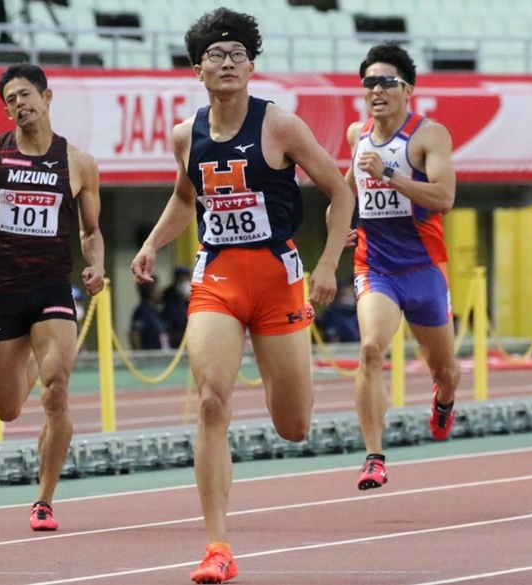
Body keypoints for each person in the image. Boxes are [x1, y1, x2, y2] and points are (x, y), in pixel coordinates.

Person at [130, 8, 354, 583]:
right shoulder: (186, 134)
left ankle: (290, 410)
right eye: (215, 56)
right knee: (211, 402)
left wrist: (329, 264)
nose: (226, 63)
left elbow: (338, 191)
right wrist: (154, 244)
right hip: (218, 278)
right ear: (197, 69)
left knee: (294, 426)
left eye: (236, 55)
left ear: (252, 65)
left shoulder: (280, 125)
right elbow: (186, 199)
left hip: (279, 279)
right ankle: (217, 548)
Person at [0, 62, 105, 531]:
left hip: (52, 289)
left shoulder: (79, 163)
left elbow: (92, 231)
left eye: (24, 95)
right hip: (2, 292)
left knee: (57, 388)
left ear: (46, 96)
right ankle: (29, 358)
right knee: (7, 408)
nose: (18, 105)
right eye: (9, 101)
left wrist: (96, 263)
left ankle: (44, 500)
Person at [344, 42, 461, 491]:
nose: (376, 90)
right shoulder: (357, 136)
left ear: (407, 89)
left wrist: (390, 176)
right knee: (370, 349)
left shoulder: (429, 135)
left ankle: (444, 400)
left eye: (386, 81)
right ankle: (374, 457)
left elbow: (444, 199)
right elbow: (348, 191)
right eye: (369, 82)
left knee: (445, 371)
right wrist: (350, 226)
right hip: (377, 268)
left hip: (424, 269)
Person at [129, 279, 169, 350]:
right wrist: (140, 356)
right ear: (150, 291)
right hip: (149, 357)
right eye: (157, 288)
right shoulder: (142, 312)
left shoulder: (156, 311)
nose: (160, 291)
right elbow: (135, 334)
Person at [161, 265, 191, 348]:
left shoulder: (195, 296)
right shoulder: (169, 296)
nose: (183, 283)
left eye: (185, 279)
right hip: (174, 342)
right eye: (180, 279)